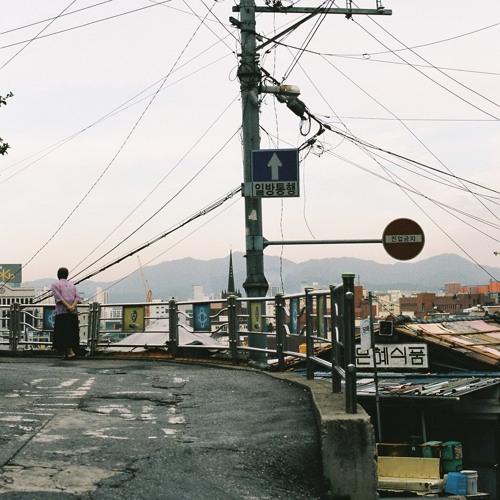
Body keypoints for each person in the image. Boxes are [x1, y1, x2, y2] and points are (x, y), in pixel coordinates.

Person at [51, 267, 80, 359]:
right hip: (73, 313)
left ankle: (70, 353)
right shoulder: (72, 285)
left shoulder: (55, 285)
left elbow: (59, 298)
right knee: (71, 333)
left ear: (58, 275)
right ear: (67, 275)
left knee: (62, 334)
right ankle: (68, 353)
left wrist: (67, 306)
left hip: (62, 313)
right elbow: (77, 297)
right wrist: (72, 307)